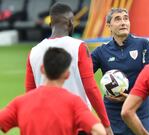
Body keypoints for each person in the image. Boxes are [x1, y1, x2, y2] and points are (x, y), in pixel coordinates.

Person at [24, 3, 112, 135]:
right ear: (71, 23)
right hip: (77, 124)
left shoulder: (34, 52)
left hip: (45, 126)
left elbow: (30, 95)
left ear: (50, 23)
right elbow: (90, 88)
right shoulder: (79, 47)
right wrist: (105, 124)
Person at [0, 47, 106, 135]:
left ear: (42, 69)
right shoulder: (74, 103)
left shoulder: (20, 102)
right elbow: (100, 131)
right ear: (67, 74)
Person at [91, 8, 149, 135]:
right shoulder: (101, 52)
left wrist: (133, 97)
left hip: (140, 113)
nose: (123, 22)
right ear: (109, 25)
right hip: (114, 117)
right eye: (118, 19)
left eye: (126, 18)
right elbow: (84, 76)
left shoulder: (143, 44)